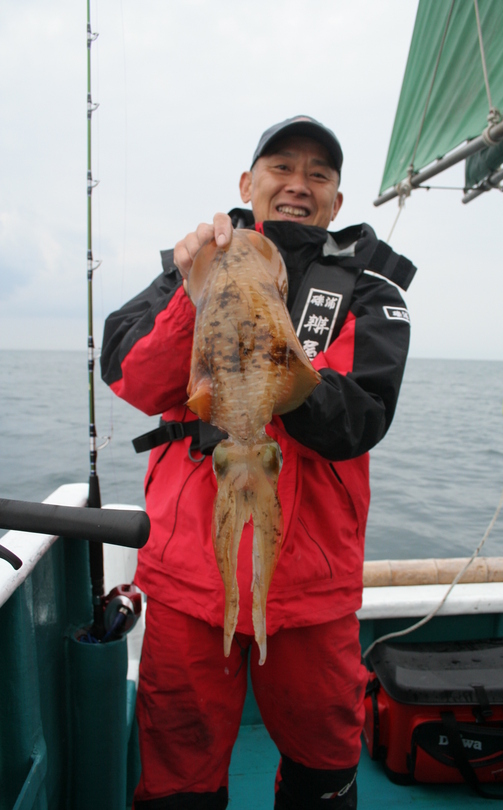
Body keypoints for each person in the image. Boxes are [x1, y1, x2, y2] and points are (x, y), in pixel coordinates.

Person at [101, 115, 416, 810]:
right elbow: (128, 373)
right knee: (178, 772)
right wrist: (192, 294)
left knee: (322, 765)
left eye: (318, 174)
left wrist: (281, 368)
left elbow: (362, 417)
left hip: (312, 590)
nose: (298, 185)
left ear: (337, 199)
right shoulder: (190, 264)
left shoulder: (370, 290)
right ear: (248, 183)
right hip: (188, 582)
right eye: (281, 167)